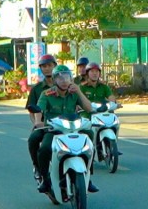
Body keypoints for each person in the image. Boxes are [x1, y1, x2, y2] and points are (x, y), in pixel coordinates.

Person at [35, 65, 99, 196]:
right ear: (54, 80)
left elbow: (89, 108)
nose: (64, 81)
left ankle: (88, 176)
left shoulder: (74, 93)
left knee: (90, 136)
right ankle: (45, 179)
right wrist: (38, 121)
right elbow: (38, 110)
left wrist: (79, 92)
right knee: (45, 148)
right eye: (60, 78)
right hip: (54, 131)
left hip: (74, 129)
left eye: (67, 77)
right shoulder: (46, 94)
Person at [27, 54, 58, 181]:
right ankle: (38, 168)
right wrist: (37, 123)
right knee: (33, 139)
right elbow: (32, 110)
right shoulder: (37, 89)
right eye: (44, 66)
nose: (47, 68)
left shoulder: (66, 85)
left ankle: (87, 177)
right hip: (46, 125)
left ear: (55, 66)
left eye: (49, 65)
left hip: (66, 125)